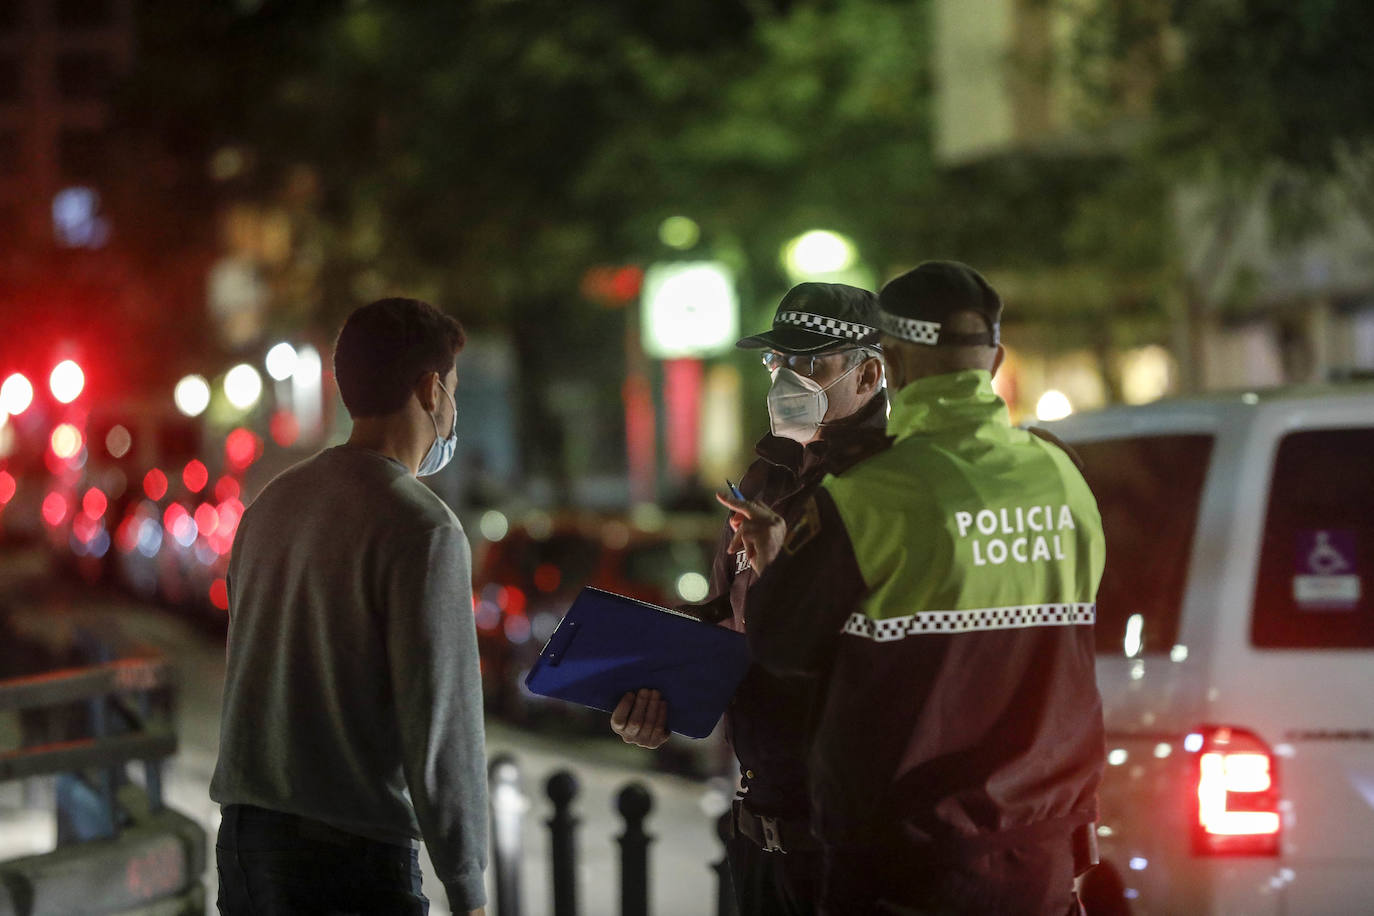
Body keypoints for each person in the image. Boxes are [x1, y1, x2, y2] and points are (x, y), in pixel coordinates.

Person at [725, 261, 1106, 916]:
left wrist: (774, 569)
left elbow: (779, 642)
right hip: (1042, 865)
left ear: (890, 364)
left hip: (909, 871)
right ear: (994, 359)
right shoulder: (1061, 473)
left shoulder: (869, 496)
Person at [612, 282, 891, 916]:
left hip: (849, 847)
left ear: (869, 373)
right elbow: (723, 619)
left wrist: (784, 573)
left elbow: (875, 654)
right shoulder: (768, 476)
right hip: (758, 834)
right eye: (778, 361)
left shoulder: (886, 491)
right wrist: (656, 693)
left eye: (809, 362)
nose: (786, 378)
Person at [211, 298, 488, 915]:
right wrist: (468, 888)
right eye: (454, 391)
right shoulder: (423, 529)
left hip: (245, 853)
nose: (452, 409)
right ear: (430, 388)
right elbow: (441, 726)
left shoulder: (269, 508)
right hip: (351, 864)